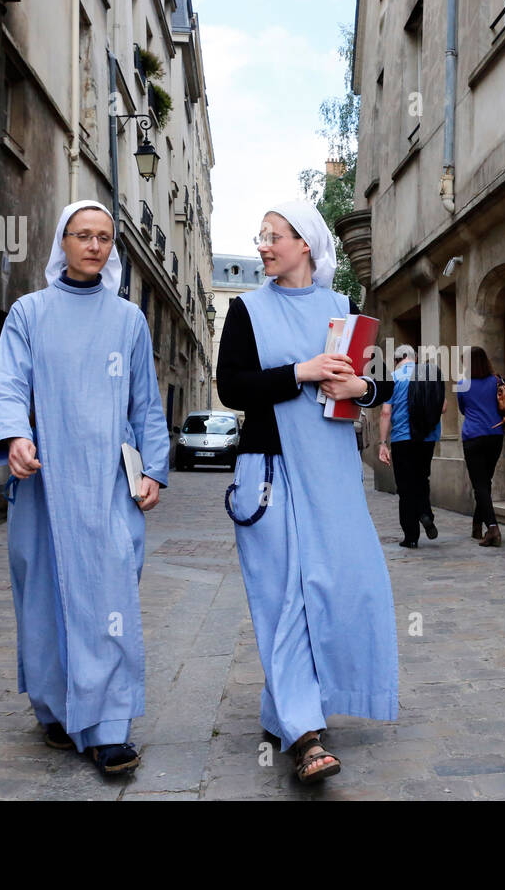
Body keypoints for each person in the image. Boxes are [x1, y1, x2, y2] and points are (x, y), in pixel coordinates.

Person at [0, 200, 169, 776]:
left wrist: (153, 471)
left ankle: (109, 725)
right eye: (82, 235)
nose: (94, 245)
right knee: (42, 595)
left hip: (109, 482)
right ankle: (57, 709)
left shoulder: (129, 320)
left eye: (104, 238)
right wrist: (15, 436)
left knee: (110, 592)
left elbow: (145, 404)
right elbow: (11, 383)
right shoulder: (28, 314)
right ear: (62, 243)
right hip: (44, 480)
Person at [216, 199, 398, 784]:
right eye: (261, 236)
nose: (264, 245)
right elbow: (232, 386)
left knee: (331, 586)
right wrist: (302, 371)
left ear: (306, 245)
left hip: (331, 475)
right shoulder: (246, 310)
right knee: (282, 597)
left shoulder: (342, 310)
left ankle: (286, 710)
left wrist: (359, 383)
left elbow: (379, 384)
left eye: (275, 236)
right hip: (266, 472)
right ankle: (304, 732)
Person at [454, 348, 505, 547]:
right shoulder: (497, 381)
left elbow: (463, 409)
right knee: (485, 482)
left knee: (480, 485)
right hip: (494, 436)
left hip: (473, 437)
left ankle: (492, 528)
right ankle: (477, 524)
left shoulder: (462, 385)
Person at [377, 352, 445, 548]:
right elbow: (443, 407)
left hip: (402, 438)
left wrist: (382, 442)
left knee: (406, 486)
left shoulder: (394, 378)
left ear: (397, 360)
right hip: (427, 438)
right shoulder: (429, 375)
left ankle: (411, 536)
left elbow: (386, 412)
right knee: (422, 478)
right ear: (414, 358)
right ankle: (425, 513)